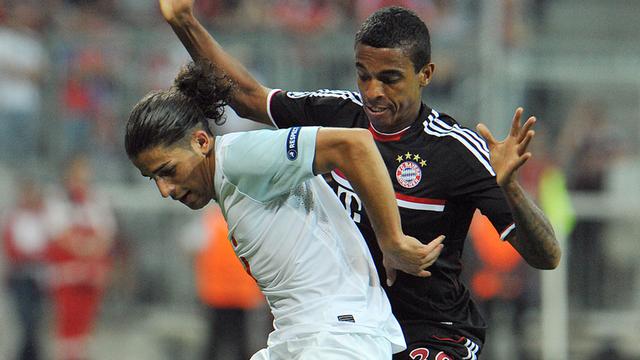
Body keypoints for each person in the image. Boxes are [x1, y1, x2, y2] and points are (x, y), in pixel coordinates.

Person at [157, 1, 562, 358]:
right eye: (363, 75)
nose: (372, 92)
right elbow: (247, 97)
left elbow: (547, 257)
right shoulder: (338, 115)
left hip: (433, 333)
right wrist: (185, 21)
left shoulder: (457, 150)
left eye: (389, 78)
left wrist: (512, 191)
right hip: (349, 326)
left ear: (425, 74)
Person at [125, 59, 445, 359]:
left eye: (167, 170)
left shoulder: (238, 159)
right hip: (302, 336)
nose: (164, 190)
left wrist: (391, 240)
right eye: (152, 178)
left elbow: (355, 145)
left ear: (201, 142)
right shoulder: (230, 176)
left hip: (335, 339)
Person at [45, 156, 117, 360]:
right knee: (67, 322)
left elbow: (107, 232)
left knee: (86, 323)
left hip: (91, 272)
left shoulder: (97, 198)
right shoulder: (57, 199)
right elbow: (59, 233)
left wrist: (93, 247)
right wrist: (83, 247)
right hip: (67, 272)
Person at [180, 205, 265, 359]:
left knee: (214, 343)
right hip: (241, 295)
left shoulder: (207, 222)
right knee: (241, 342)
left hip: (216, 294)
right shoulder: (247, 221)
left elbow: (190, 248)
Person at [2, 179, 49, 360]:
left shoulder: (42, 216)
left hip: (38, 277)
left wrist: (37, 256)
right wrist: (30, 256)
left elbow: (49, 245)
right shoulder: (14, 217)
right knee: (25, 321)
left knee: (36, 321)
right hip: (20, 276)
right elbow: (11, 247)